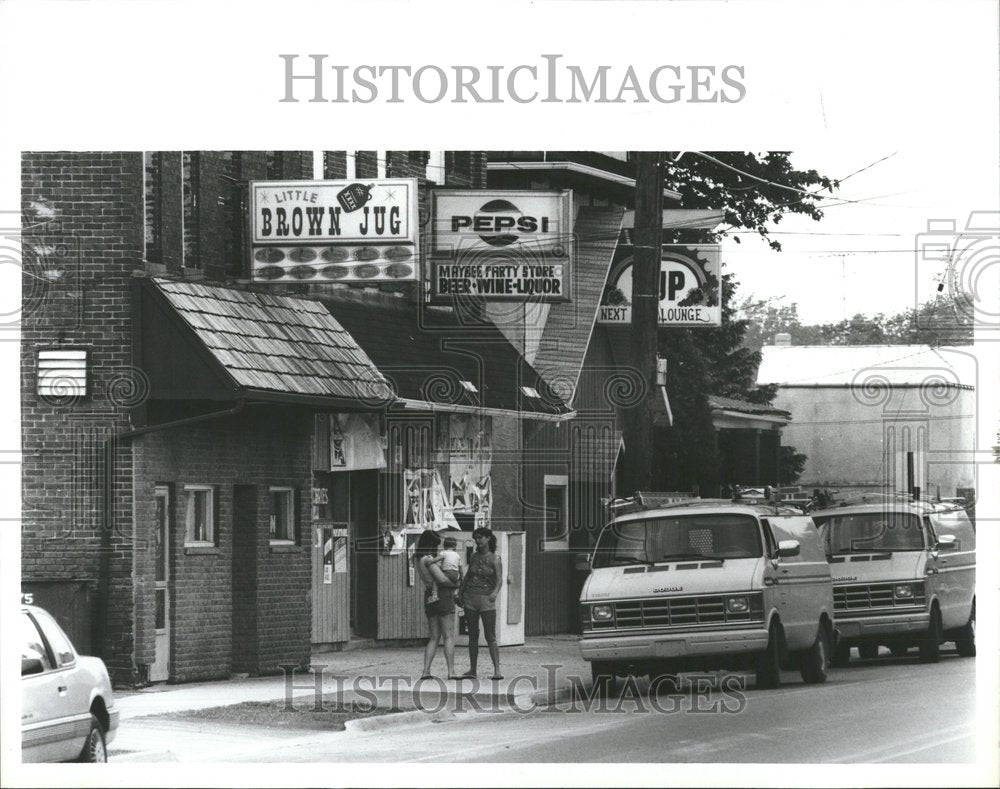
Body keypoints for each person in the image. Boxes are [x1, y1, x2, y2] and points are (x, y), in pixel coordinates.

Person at [413, 529, 460, 680]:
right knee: (448, 636)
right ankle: (451, 671)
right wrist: (456, 586)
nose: (438, 548)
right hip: (443, 596)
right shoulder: (428, 559)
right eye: (436, 545)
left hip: (429, 596)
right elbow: (441, 579)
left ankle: (426, 671)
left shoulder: (418, 558)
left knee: (433, 637)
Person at [458, 527, 503, 680]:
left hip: (486, 598)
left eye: (481, 537)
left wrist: (495, 593)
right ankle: (472, 669)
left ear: (489, 538)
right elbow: (468, 576)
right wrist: (460, 592)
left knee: (490, 635)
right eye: (476, 538)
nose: (478, 540)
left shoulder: (495, 559)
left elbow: (499, 579)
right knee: (472, 635)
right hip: (471, 597)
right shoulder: (473, 557)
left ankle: (497, 670)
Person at [424, 536, 461, 603]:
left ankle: (434, 596)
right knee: (456, 583)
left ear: (444, 546)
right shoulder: (457, 555)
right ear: (454, 546)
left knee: (435, 581)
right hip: (455, 575)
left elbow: (436, 560)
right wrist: (461, 576)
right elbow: (460, 567)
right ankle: (456, 593)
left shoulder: (444, 552)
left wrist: (430, 561)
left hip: (447, 573)